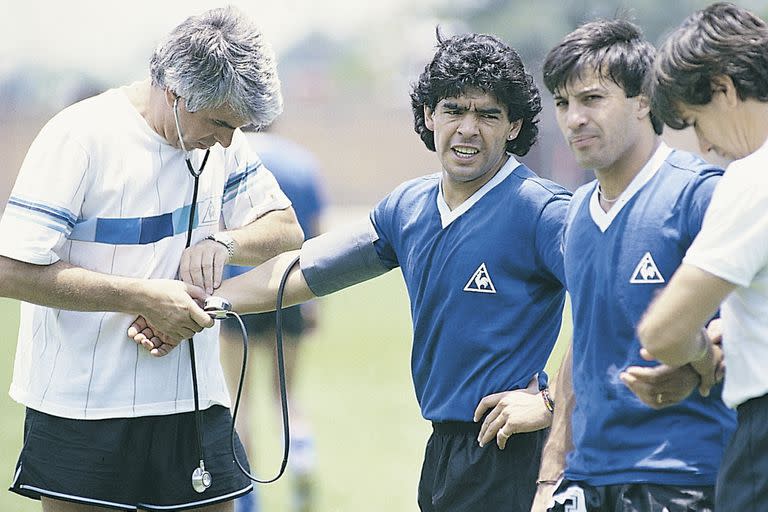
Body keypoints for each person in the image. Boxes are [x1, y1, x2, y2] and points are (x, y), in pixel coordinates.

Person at [135, 31, 571, 511]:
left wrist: (550, 406)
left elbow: (619, 309)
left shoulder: (542, 211)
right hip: (445, 451)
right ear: (429, 115)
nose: (468, 128)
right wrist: (204, 302)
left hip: (516, 452)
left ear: (513, 126)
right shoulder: (409, 206)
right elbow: (305, 269)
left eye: (488, 114)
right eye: (453, 110)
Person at [0, 7, 304, 512]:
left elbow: (285, 227)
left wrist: (225, 243)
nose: (229, 139)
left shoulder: (224, 140)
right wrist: (143, 296)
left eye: (238, 126)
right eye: (220, 123)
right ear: (175, 92)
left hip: (194, 400)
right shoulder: (78, 136)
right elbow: (9, 268)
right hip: (82, 407)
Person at [531, 19, 736, 512]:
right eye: (562, 103)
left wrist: (702, 354)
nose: (574, 118)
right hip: (587, 478)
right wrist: (550, 476)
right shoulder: (577, 212)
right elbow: (583, 343)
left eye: (592, 99)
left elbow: (752, 319)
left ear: (644, 100)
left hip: (684, 474)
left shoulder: (700, 193)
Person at [636, 3, 768, 511]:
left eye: (695, 122)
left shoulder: (752, 178)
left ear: (724, 88)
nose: (705, 147)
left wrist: (696, 356)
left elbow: (662, 332)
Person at [220, 129, 326, 512]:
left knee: (239, 402)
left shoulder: (229, 161)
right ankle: (301, 457)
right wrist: (315, 301)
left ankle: (248, 499)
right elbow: (314, 235)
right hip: (291, 292)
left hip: (241, 294)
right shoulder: (301, 162)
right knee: (286, 395)